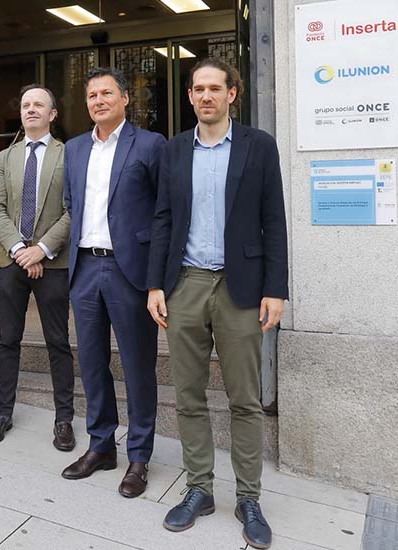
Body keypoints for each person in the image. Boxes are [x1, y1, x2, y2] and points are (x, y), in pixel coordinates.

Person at [146, 58, 287, 549]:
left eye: (215, 88)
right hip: (185, 284)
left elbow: (274, 220)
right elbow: (163, 218)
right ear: (190, 97)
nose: (206, 96)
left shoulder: (259, 146)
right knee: (188, 396)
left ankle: (248, 497)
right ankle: (199, 489)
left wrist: (276, 289)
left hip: (241, 287)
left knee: (245, 399)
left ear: (233, 94)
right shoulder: (174, 149)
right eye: (198, 89)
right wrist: (155, 285)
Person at [60, 67, 165, 498]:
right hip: (85, 266)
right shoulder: (75, 148)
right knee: (91, 361)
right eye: (91, 95)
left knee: (138, 364)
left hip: (130, 270)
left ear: (125, 98)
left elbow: (164, 214)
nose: (98, 100)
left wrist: (158, 279)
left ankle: (139, 455)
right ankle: (101, 445)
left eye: (107, 93)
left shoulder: (151, 145)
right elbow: (72, 202)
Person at [0, 84, 75, 450]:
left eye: (39, 105)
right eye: (25, 105)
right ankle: (2, 413)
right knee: (8, 340)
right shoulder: (4, 158)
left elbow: (73, 210)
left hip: (53, 263)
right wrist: (22, 249)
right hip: (11, 259)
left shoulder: (69, 155)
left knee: (58, 342)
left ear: (53, 114)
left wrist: (43, 250)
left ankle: (64, 419)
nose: (31, 109)